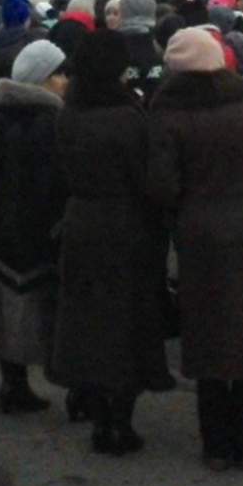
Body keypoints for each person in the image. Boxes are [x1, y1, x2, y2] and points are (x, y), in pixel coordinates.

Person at [148, 27, 243, 471]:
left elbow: (163, 185)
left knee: (206, 333)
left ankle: (216, 443)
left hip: (198, 234)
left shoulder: (168, 114)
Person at [49, 30, 163, 455]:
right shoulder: (128, 116)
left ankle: (97, 412)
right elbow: (145, 177)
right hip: (126, 223)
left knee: (86, 318)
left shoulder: (69, 114)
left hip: (81, 220)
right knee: (127, 319)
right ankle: (121, 419)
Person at [0, 39, 68, 412]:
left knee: (5, 303)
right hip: (39, 226)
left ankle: (13, 382)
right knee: (44, 304)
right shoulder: (51, 122)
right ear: (43, 79)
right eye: (58, 74)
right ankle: (64, 384)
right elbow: (55, 182)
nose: (65, 80)